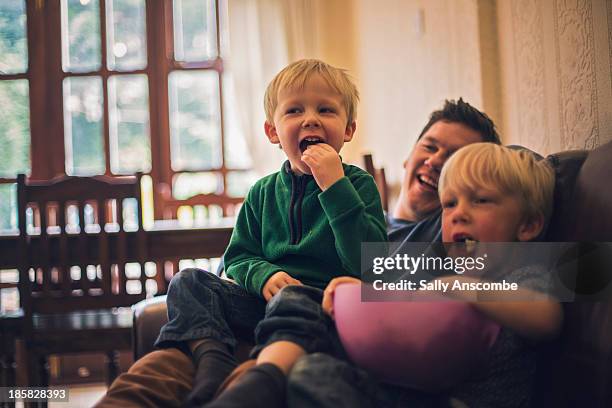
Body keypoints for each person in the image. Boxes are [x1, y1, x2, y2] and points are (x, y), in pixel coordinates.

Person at [94, 98, 500, 408]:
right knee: (149, 376)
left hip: (300, 338)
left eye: (455, 160)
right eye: (429, 147)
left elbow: (531, 274)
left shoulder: (451, 231)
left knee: (251, 381)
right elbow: (234, 262)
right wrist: (259, 276)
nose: (435, 162)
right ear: (409, 155)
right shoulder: (288, 193)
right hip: (230, 334)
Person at [157, 59, 388, 407]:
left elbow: (369, 265)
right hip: (261, 306)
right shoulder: (262, 193)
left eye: (325, 109)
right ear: (273, 132)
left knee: (294, 297)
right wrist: (263, 274)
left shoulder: (359, 186)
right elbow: (237, 257)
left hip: (322, 308)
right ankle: (212, 357)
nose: (310, 119)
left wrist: (335, 187)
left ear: (349, 129)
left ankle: (265, 376)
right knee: (188, 281)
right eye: (294, 110)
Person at [289, 143, 561, 408]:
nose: (459, 214)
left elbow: (549, 317)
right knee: (314, 372)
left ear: (527, 225)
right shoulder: (447, 272)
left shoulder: (523, 275)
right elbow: (409, 305)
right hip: (424, 394)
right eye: (450, 204)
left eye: (480, 200)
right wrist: (360, 291)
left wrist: (465, 288)